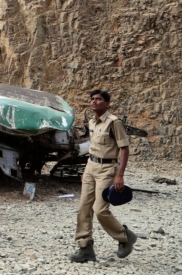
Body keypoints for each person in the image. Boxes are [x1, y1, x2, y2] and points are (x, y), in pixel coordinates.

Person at [69, 90, 137, 262]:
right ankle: (85, 248)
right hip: (91, 167)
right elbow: (93, 149)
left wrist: (119, 175)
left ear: (107, 104)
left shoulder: (114, 123)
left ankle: (125, 237)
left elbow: (124, 149)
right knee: (84, 208)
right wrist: (86, 171)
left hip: (107, 169)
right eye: (92, 99)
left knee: (100, 210)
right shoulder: (92, 122)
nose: (94, 102)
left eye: (98, 99)